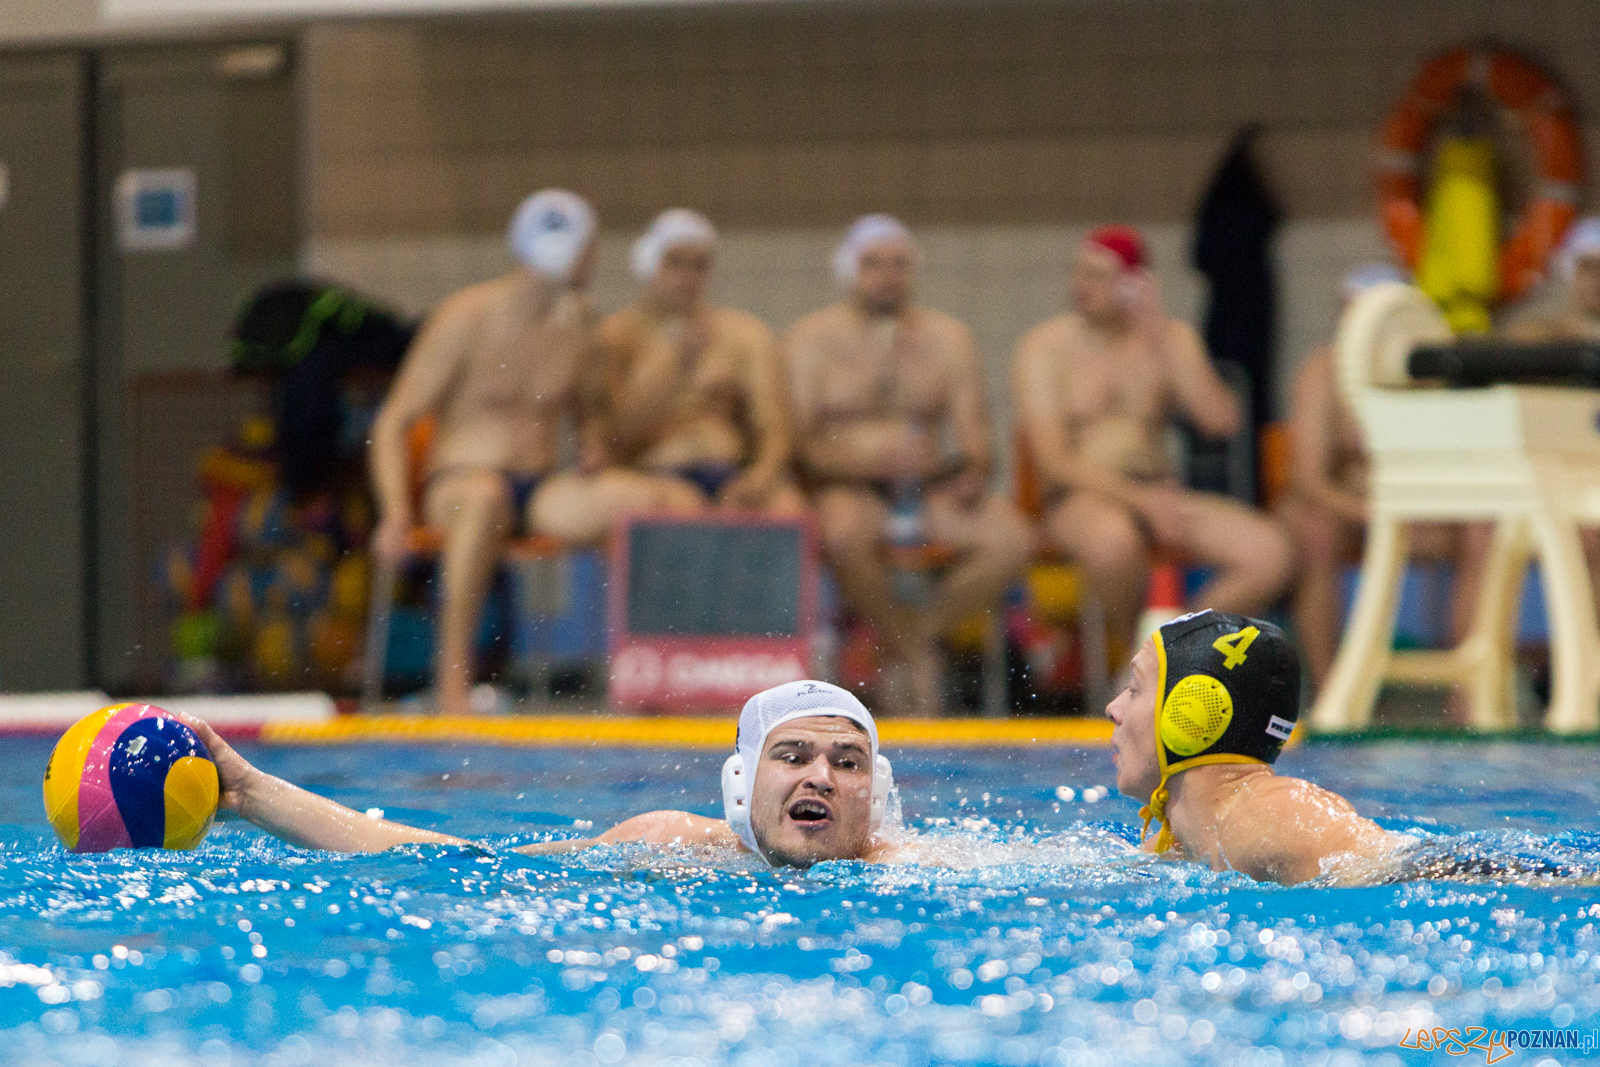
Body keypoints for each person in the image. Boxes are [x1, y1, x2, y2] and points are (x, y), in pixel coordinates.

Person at [367, 190, 698, 716]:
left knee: (663, 499)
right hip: (458, 484)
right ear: (560, 249)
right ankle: (453, 688)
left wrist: (593, 445)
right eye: (587, 248)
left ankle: (660, 677)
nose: (593, 260)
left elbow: (594, 417)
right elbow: (394, 420)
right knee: (484, 499)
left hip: (538, 489)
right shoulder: (466, 316)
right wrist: (395, 514)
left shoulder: (581, 326)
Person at [180, 680, 903, 868]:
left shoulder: (910, 871)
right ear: (742, 785)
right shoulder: (667, 845)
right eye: (793, 755)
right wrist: (252, 792)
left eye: (847, 762)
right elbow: (455, 862)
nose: (821, 776)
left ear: (875, 796)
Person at [784, 215, 1034, 713]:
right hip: (846, 486)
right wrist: (862, 462)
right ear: (848, 271)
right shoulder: (810, 340)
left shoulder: (948, 339)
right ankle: (912, 653)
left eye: (899, 264)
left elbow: (976, 438)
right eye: (873, 264)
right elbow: (797, 446)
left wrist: (971, 472)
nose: (887, 275)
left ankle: (908, 640)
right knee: (841, 534)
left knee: (1013, 540)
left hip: (928, 488)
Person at [1011, 225, 1291, 662]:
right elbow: (1054, 461)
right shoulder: (1046, 348)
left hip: (1159, 491)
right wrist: (1141, 501)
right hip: (1081, 499)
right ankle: (1133, 660)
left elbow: (1221, 421)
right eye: (1079, 273)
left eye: (1098, 277)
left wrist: (1160, 336)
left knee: (1269, 551)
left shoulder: (1169, 340)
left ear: (1132, 285)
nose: (1081, 287)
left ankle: (1169, 651)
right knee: (1113, 542)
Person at [1278, 265, 1486, 687]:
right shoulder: (1323, 372)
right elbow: (1307, 478)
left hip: (1409, 509)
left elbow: (1455, 466)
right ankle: (1329, 690)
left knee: (1482, 529)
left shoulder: (1426, 371)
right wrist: (1367, 510)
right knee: (1313, 532)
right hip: (1345, 510)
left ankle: (1467, 689)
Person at [1107, 609, 1405, 884]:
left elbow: (1412, 868)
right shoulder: (1180, 846)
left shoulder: (1267, 817)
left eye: (1134, 689)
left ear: (1194, 714)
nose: (1112, 709)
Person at [565, 208, 804, 526]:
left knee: (788, 512)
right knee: (683, 513)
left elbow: (774, 425)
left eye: (699, 265)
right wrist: (673, 364)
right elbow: (611, 436)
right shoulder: (616, 337)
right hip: (653, 475)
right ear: (647, 266)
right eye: (675, 262)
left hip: (729, 472)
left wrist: (760, 478)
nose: (688, 276)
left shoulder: (744, 336)